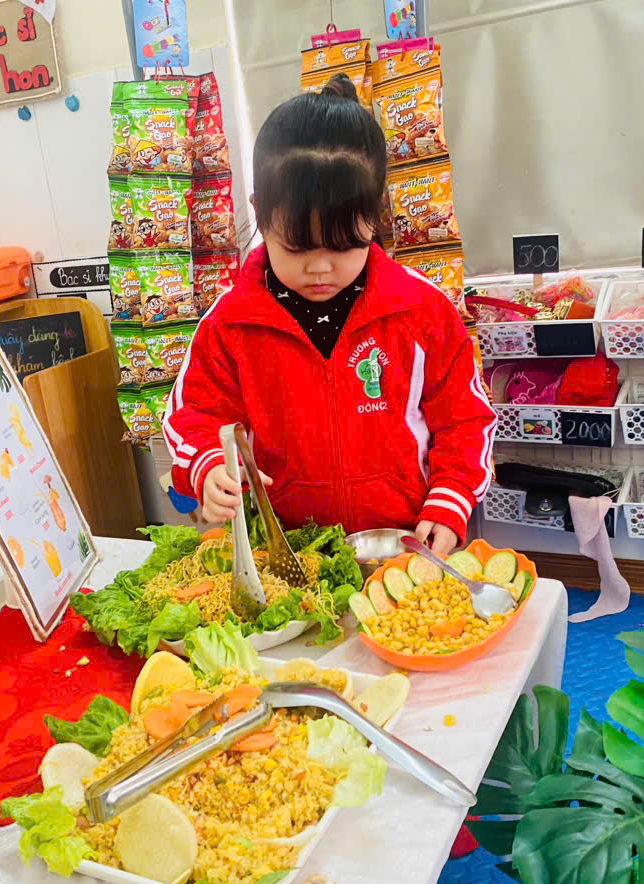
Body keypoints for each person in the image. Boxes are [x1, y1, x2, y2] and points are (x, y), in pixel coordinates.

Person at [163, 74, 495, 555]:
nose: (319, 268)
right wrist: (208, 466)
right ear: (260, 214)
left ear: (375, 217)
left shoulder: (421, 311)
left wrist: (451, 498)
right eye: (296, 247)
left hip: (405, 544)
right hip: (291, 553)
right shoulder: (230, 323)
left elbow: (466, 419)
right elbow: (193, 414)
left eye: (341, 246)